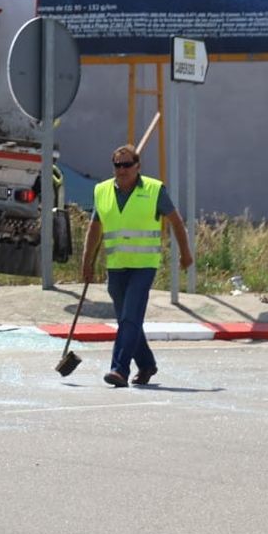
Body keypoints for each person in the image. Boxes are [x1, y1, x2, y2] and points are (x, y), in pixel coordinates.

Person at [80, 143, 193, 387]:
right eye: (117, 165)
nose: (122, 170)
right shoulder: (102, 191)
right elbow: (95, 227)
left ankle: (119, 369)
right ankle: (146, 364)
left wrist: (185, 253)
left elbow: (176, 221)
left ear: (138, 166)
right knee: (126, 319)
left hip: (144, 266)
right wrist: (86, 261)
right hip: (116, 266)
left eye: (127, 165)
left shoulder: (154, 190)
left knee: (130, 316)